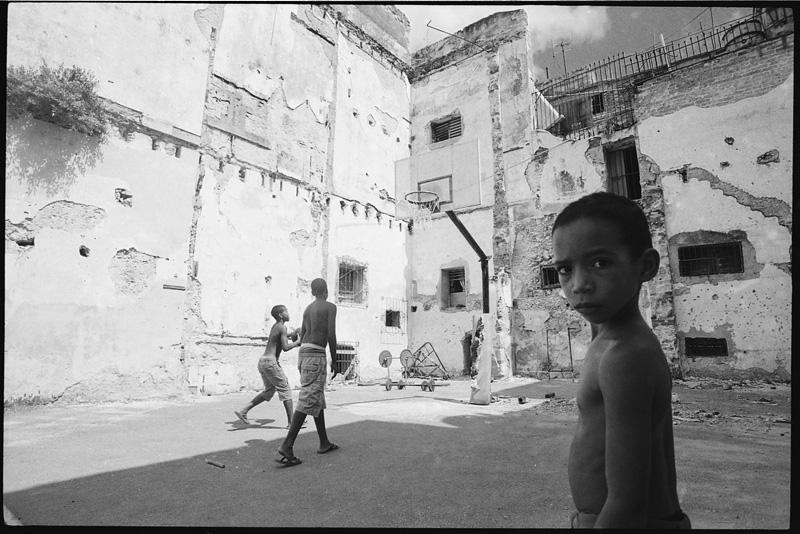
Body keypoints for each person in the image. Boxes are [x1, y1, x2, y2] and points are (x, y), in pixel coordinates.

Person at [551, 192, 690, 529]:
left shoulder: (625, 354)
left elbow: (626, 503)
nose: (580, 285)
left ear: (645, 266)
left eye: (600, 263)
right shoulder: (609, 342)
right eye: (565, 269)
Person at [275, 278, 340, 467]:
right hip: (316, 354)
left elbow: (302, 334)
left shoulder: (307, 309)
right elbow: (331, 334)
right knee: (309, 396)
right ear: (326, 291)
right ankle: (287, 445)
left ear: (313, 292)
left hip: (304, 354)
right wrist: (335, 359)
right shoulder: (329, 307)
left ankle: (324, 442)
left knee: (315, 395)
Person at [234, 305, 301, 428]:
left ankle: (244, 410)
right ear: (281, 315)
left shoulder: (276, 326)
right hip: (270, 362)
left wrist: (294, 332)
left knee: (269, 391)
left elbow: (282, 338)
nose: (288, 314)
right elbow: (285, 347)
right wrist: (298, 342)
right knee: (285, 390)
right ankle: (292, 423)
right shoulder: (282, 327)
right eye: (286, 311)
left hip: (263, 362)